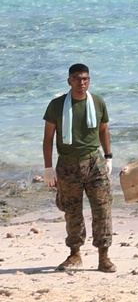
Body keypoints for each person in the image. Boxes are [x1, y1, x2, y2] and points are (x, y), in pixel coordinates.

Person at [42, 64, 115, 273]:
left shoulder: (98, 102)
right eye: (76, 79)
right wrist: (48, 167)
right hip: (67, 164)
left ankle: (104, 257)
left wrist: (108, 157)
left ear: (89, 80)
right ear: (69, 81)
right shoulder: (56, 106)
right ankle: (74, 254)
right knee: (72, 210)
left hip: (95, 163)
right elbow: (48, 138)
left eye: (85, 79)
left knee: (102, 208)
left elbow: (103, 130)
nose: (81, 83)